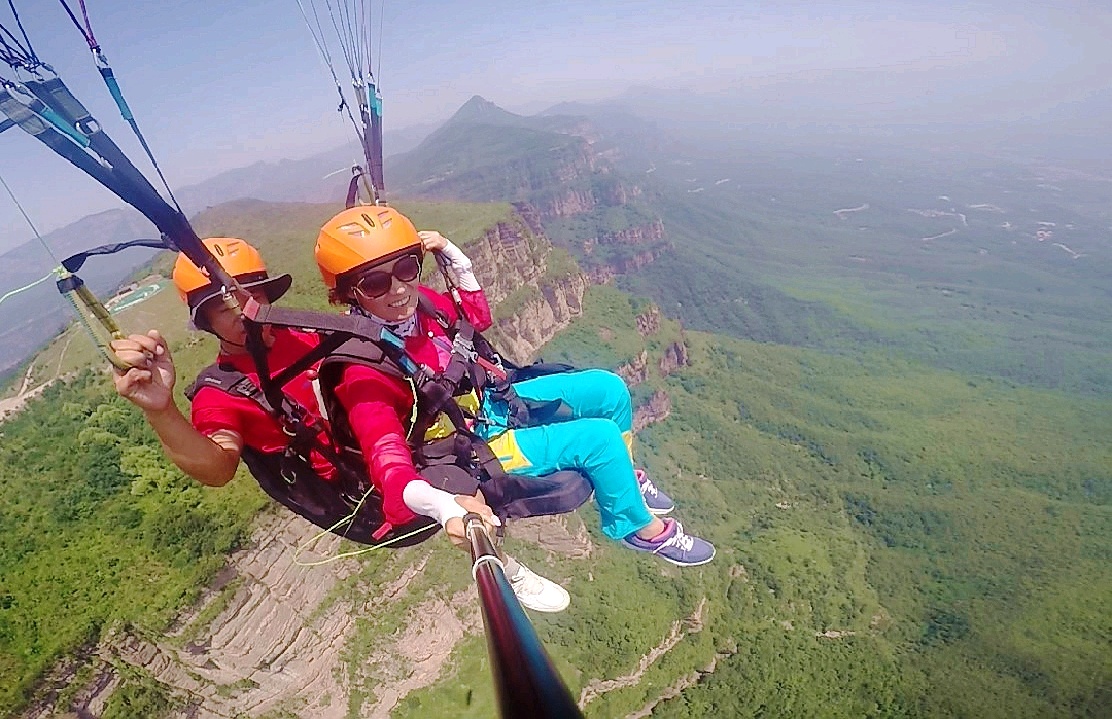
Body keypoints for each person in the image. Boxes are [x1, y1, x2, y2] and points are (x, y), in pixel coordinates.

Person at [110, 236, 571, 612]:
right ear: (206, 321)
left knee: (535, 420)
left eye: (253, 293)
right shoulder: (223, 393)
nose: (248, 309)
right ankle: (500, 563)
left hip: (401, 442)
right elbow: (217, 466)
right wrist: (160, 409)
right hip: (367, 495)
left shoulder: (310, 334)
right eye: (227, 306)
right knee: (475, 482)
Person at [314, 205, 715, 566]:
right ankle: (639, 529)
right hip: (470, 444)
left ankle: (627, 478)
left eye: (406, 269)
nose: (399, 289)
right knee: (600, 438)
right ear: (347, 294)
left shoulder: (423, 307)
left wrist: (450, 251)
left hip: (491, 400)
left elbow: (476, 317)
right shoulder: (365, 373)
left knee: (608, 390)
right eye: (375, 283)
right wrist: (442, 506)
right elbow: (389, 466)